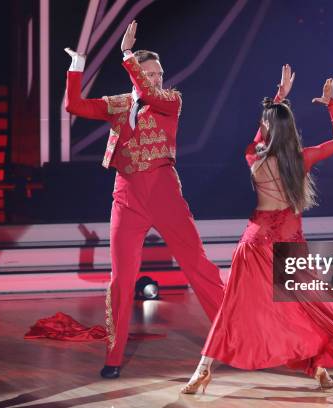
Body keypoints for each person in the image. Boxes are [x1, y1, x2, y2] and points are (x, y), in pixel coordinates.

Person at [181, 65, 333, 394]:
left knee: (234, 310)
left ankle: (203, 369)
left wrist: (279, 96)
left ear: (269, 130)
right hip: (287, 244)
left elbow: (258, 135)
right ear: (291, 129)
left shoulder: (253, 158)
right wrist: (331, 105)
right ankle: (320, 368)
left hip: (255, 243)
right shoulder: (302, 159)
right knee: (309, 307)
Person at [64, 20, 224, 379]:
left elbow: (149, 95)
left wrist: (127, 54)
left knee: (198, 266)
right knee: (121, 279)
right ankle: (113, 357)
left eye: (158, 72)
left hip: (164, 192)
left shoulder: (170, 101)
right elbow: (73, 105)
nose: (154, 78)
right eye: (148, 72)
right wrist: (77, 65)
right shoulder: (119, 104)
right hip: (127, 196)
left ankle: (232, 336)